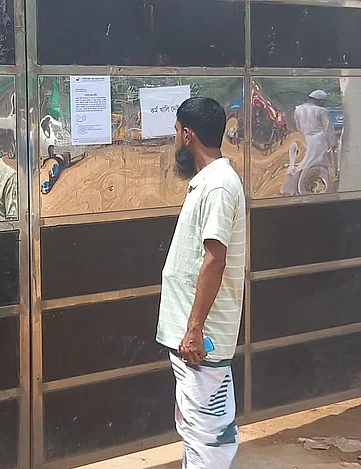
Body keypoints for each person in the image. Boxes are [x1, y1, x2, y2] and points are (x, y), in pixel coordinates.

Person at [156, 97, 246, 469]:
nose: (175, 138)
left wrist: (194, 329)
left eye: (177, 131)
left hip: (201, 341)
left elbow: (215, 258)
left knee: (205, 433)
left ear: (188, 134)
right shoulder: (208, 182)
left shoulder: (219, 186)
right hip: (195, 339)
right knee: (200, 430)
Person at [282, 90, 338, 195]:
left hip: (306, 139)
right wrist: (333, 143)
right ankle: (321, 186)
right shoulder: (322, 111)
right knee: (321, 164)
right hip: (320, 141)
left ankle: (295, 187)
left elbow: (298, 126)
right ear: (319, 101)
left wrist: (304, 137)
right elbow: (328, 129)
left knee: (304, 163)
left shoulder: (298, 109)